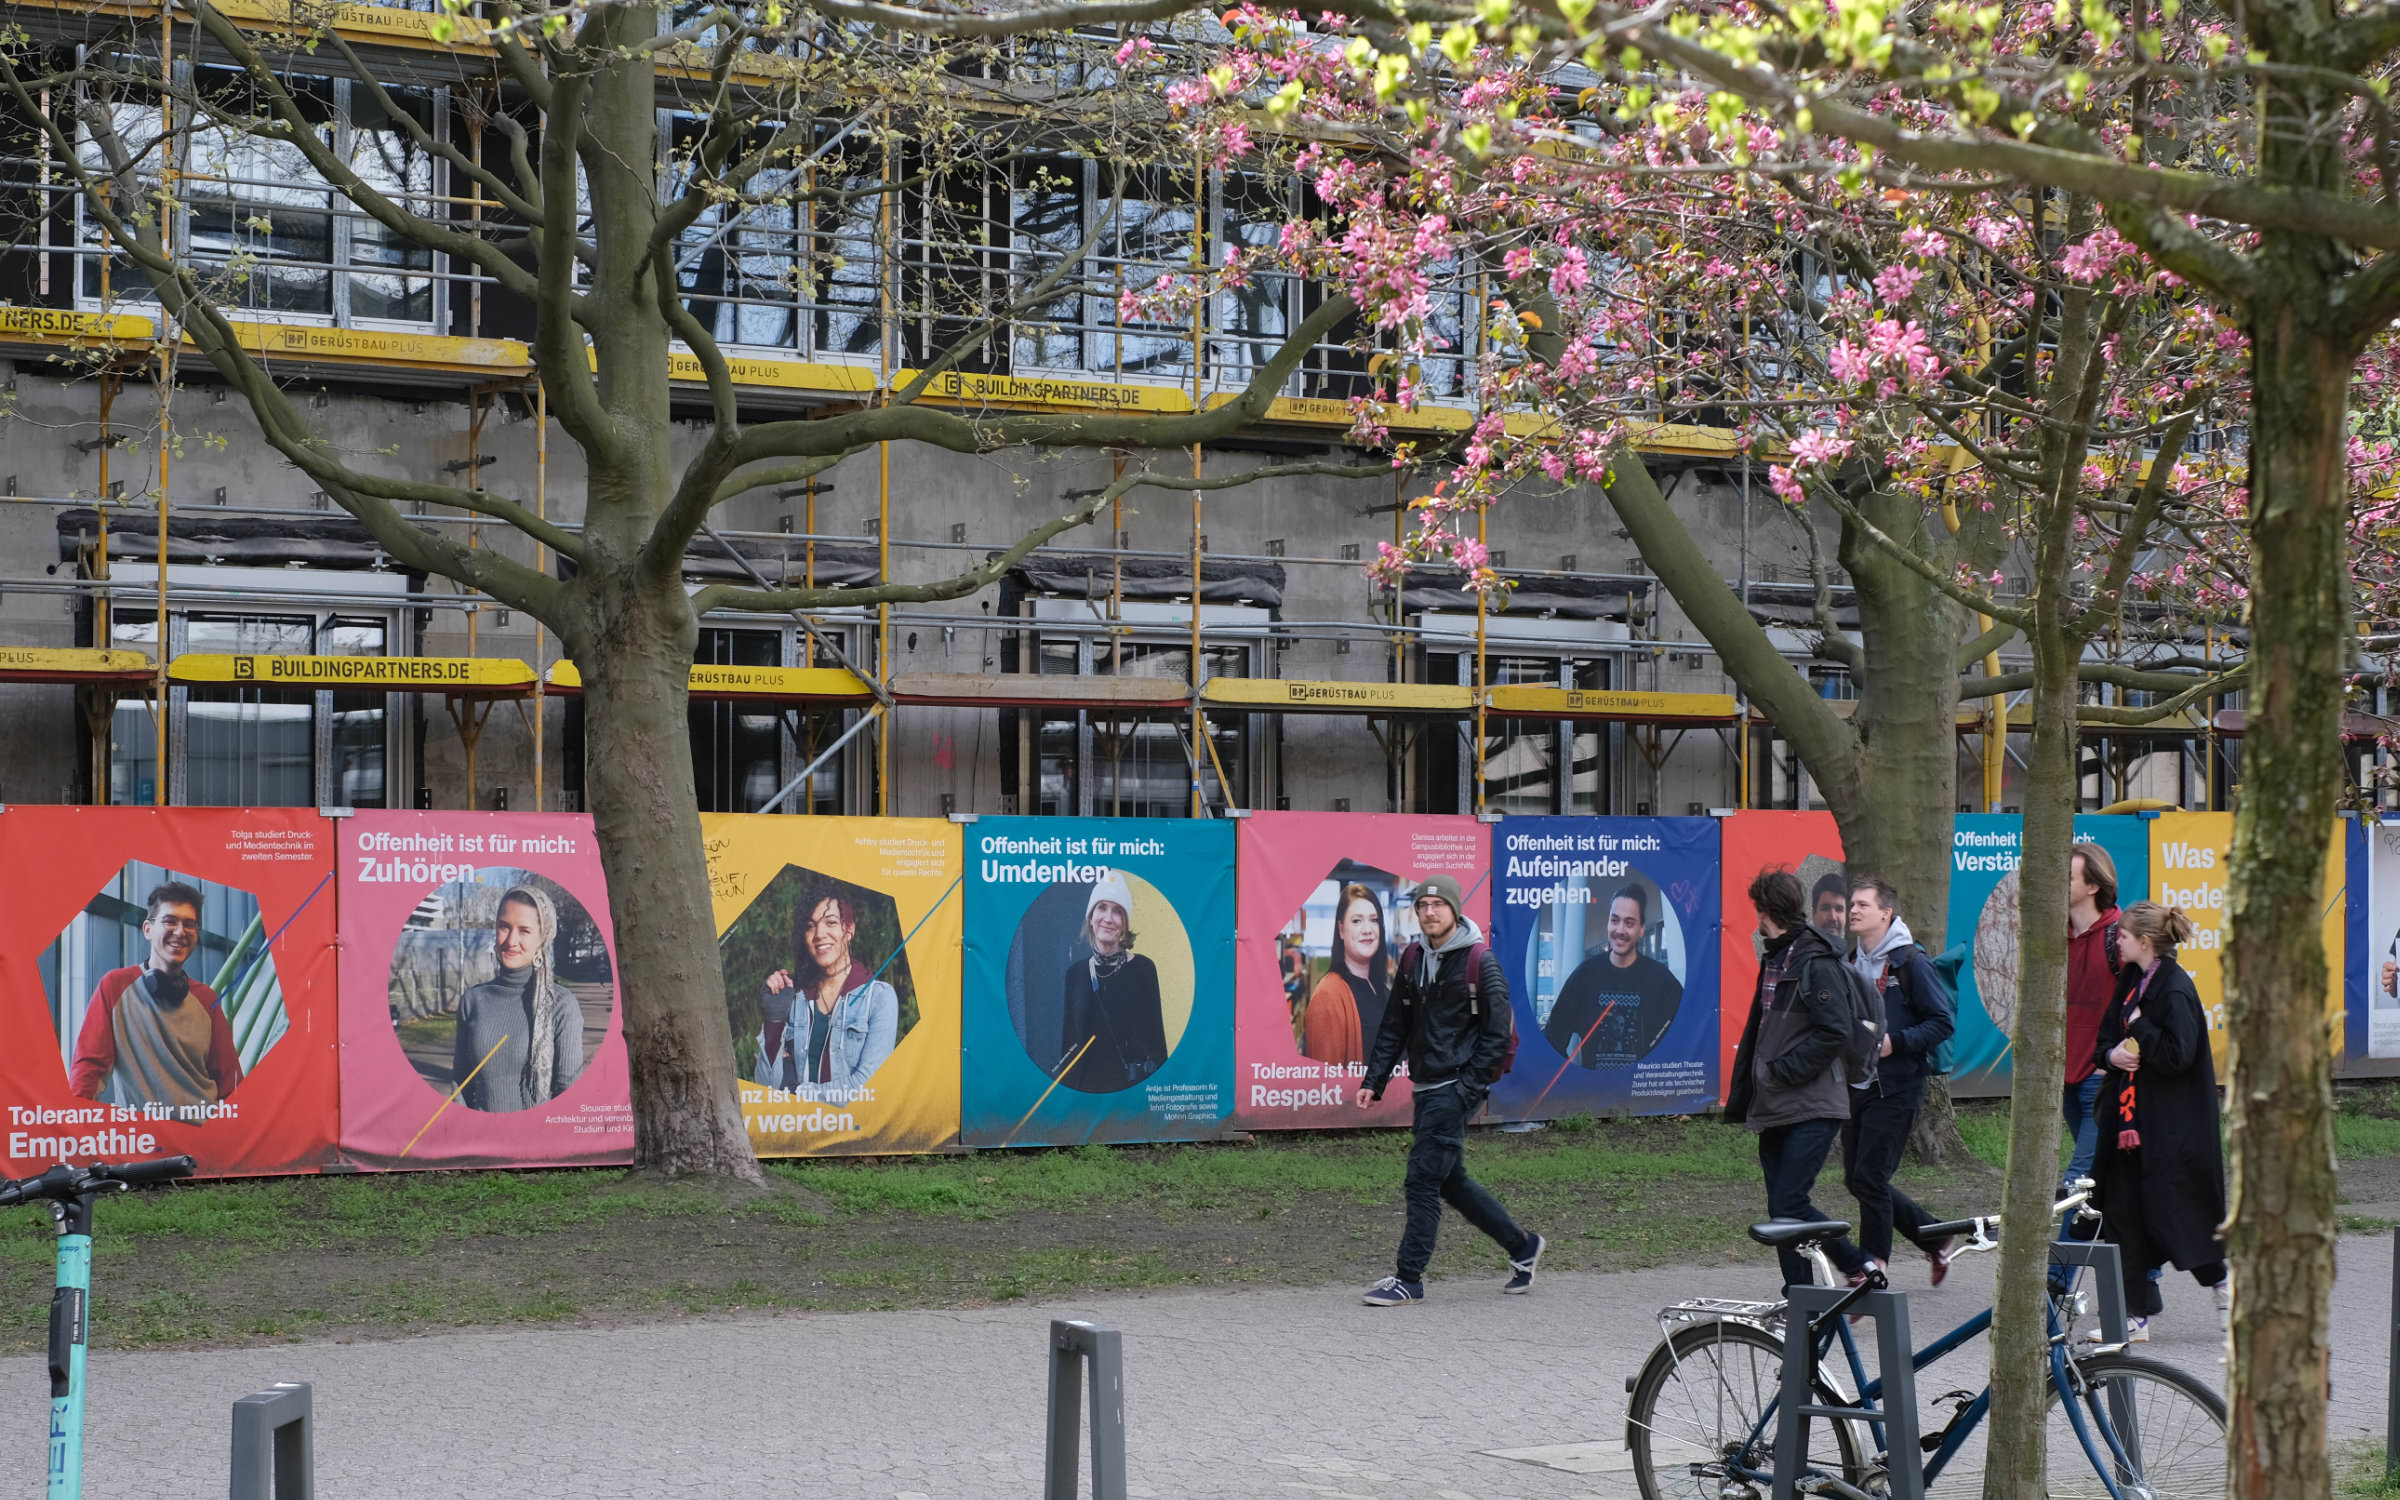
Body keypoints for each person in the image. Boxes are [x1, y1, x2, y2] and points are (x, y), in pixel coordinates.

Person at [1356, 873, 1543, 1305]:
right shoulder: (1412, 958)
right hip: (1427, 1084)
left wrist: (1468, 1088)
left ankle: (1409, 1278)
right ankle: (1522, 1247)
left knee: (1422, 1177)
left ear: (1455, 910)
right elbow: (1394, 1024)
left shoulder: (1481, 961)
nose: (1429, 912)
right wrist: (1374, 1080)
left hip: (1455, 1086)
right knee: (1449, 1180)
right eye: (1422, 906)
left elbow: (1498, 1034)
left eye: (1438, 906)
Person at [2088, 901, 2230, 1340]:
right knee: (2122, 1217)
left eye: (2124, 936)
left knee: (2178, 1219)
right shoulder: (2132, 981)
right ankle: (2135, 1316)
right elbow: (2107, 1038)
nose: (2117, 940)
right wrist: (2111, 1055)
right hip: (2129, 1129)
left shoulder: (2173, 989)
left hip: (2170, 1131)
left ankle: (2225, 1285)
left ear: (2145, 942)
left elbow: (2177, 1055)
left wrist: (2142, 1029)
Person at [1726, 866, 1869, 1290]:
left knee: (1790, 1200)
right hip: (1777, 1103)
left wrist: (1782, 1071)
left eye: (1758, 910)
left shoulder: (1813, 961)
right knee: (1781, 1209)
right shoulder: (1777, 955)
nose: (1755, 918)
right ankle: (1800, 1295)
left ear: (1767, 911)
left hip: (1814, 1103)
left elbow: (1836, 1031)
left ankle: (1858, 1265)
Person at [1841, 878, 1958, 1284]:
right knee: (1856, 1179)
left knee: (1870, 1178)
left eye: (1862, 905)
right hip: (1856, 1085)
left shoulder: (1911, 963)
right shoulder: (1849, 962)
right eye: (1851, 904)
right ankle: (1935, 1237)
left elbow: (1942, 1023)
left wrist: (1897, 1042)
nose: (1853, 910)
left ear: (1885, 914)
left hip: (1898, 1086)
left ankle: (1872, 1267)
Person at [69, 881, 244, 1111]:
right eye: (170, 921)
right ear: (147, 929)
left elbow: (230, 1082)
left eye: (189, 924)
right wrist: (76, 1127)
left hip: (203, 1137)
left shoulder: (206, 998)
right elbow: (89, 1068)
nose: (181, 932)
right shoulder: (115, 986)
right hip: (145, 1139)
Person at [451, 885, 587, 1113]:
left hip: (538, 1141)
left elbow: (569, 1093)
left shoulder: (561, 1005)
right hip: (481, 1141)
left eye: (524, 931)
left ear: (542, 938)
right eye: (504, 927)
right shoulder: (473, 1000)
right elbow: (460, 1085)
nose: (511, 941)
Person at [756, 891, 900, 1094]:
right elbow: (765, 1087)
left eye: (830, 923)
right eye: (810, 926)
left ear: (849, 930)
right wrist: (774, 1021)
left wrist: (796, 1091)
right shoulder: (794, 996)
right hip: (795, 1124)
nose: (819, 934)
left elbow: (866, 1087)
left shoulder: (879, 998)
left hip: (850, 1124)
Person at [1544, 884, 1684, 1068]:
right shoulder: (1584, 977)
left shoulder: (1662, 981)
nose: (1620, 930)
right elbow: (1553, 1037)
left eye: (1629, 923)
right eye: (1615, 920)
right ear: (1608, 923)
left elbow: (1685, 1039)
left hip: (1644, 1094)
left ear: (1642, 929)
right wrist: (1574, 1081)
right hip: (1594, 1095)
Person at [1058, 870, 1169, 1092]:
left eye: (1118, 911)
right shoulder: (1076, 973)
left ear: (1125, 924)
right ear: (1090, 917)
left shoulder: (1143, 969)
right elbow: (1069, 1047)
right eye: (1102, 907)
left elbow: (1157, 1046)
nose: (1108, 918)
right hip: (1087, 1094)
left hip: (1130, 1092)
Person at [2063, 843, 2124, 1187]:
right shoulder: (2052, 938)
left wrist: (2110, 1060)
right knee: (2102, 1171)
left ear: (2093, 885)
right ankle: (2114, 1240)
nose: (2058, 883)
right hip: (2064, 1076)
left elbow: (2145, 1004)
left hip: (2102, 1076)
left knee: (2079, 1178)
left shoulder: (2121, 938)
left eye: (2068, 877)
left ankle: (2066, 1243)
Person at [1297, 882, 1389, 1065]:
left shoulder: (1379, 987)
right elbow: (1329, 1084)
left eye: (1374, 920)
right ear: (1341, 929)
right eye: (1356, 921)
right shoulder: (1328, 995)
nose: (1367, 929)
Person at [1810, 871, 1851, 944]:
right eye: (1825, 908)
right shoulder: (1799, 953)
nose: (1833, 917)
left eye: (1839, 909)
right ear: (1814, 914)